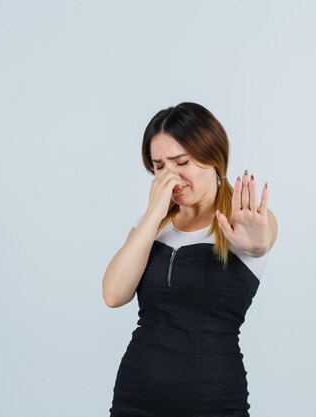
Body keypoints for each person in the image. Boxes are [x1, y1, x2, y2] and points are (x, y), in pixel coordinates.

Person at [102, 102, 278, 416]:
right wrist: (155, 213)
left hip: (212, 402)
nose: (171, 176)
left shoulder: (246, 220)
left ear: (213, 156)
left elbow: (259, 244)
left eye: (181, 161)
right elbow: (114, 294)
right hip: (135, 397)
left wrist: (254, 243)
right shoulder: (150, 226)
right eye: (159, 166)